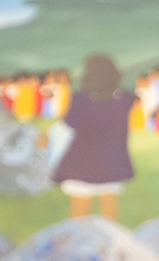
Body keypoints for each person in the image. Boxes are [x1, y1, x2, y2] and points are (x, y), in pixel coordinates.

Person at [52, 53, 138, 221]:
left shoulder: (80, 100)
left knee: (79, 213)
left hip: (82, 162)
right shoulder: (125, 100)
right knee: (110, 211)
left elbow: (68, 125)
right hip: (113, 161)